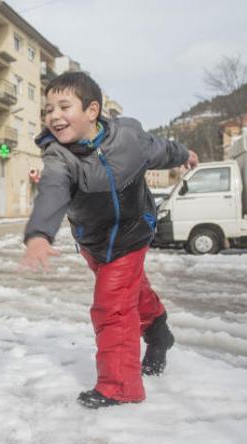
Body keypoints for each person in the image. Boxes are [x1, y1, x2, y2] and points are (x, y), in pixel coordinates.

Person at [20, 72, 198, 409]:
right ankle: (159, 331)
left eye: (63, 106)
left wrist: (184, 154)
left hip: (132, 231)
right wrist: (40, 233)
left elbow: (160, 149)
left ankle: (120, 387)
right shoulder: (59, 156)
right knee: (131, 290)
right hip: (93, 239)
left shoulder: (129, 137)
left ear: (92, 111)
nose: (54, 116)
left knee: (113, 304)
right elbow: (53, 189)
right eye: (48, 109)